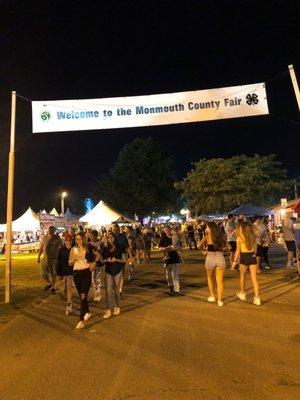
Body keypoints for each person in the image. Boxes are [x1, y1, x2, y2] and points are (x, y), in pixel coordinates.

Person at [69, 232, 98, 329]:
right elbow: (69, 263)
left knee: (83, 296)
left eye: (80, 239)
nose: (79, 241)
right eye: (77, 239)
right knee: (83, 297)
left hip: (86, 273)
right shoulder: (73, 249)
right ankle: (88, 312)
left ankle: (81, 320)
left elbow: (98, 255)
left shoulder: (88, 248)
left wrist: (94, 263)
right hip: (77, 274)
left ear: (83, 239)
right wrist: (73, 260)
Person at [198, 221, 227, 306]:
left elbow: (199, 245)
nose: (206, 228)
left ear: (210, 228)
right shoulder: (221, 236)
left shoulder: (207, 237)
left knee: (210, 277)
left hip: (210, 258)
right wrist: (221, 249)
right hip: (220, 258)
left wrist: (204, 251)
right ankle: (220, 300)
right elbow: (228, 247)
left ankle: (212, 296)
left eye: (207, 227)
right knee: (220, 280)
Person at [233, 220, 261, 306]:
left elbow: (238, 251)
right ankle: (257, 298)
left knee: (242, 276)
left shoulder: (239, 238)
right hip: (252, 256)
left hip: (244, 257)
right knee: (254, 279)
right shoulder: (252, 237)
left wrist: (234, 261)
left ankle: (242, 293)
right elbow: (255, 250)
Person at [102, 232, 124, 319]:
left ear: (114, 238)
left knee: (116, 290)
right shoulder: (106, 248)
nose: (110, 238)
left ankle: (117, 306)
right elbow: (102, 260)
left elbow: (124, 259)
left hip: (118, 270)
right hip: (108, 270)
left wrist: (117, 260)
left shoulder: (120, 247)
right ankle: (108, 310)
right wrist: (106, 260)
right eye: (108, 237)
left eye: (112, 237)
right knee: (107, 291)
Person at [37, 226, 62, 294]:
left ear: (54, 231)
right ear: (48, 230)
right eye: (50, 230)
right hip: (45, 258)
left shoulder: (57, 238)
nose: (51, 231)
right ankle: (49, 283)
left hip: (53, 259)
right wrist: (38, 257)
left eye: (53, 230)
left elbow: (61, 246)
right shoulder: (44, 237)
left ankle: (53, 287)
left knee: (53, 274)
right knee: (43, 274)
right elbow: (41, 247)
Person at [159, 226, 181, 296]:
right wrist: (166, 248)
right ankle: (170, 286)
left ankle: (177, 290)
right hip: (167, 258)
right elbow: (159, 248)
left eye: (168, 230)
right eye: (165, 230)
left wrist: (174, 248)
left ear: (171, 230)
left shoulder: (175, 237)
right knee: (168, 275)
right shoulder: (163, 239)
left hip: (175, 257)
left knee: (175, 274)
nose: (167, 231)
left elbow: (180, 246)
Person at [57, 235, 74, 315]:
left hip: (72, 272)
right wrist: (59, 273)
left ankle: (69, 305)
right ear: (64, 241)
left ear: (71, 241)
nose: (68, 242)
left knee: (69, 288)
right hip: (64, 271)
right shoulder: (61, 250)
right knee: (65, 289)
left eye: (69, 240)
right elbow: (59, 262)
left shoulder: (74, 250)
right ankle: (70, 300)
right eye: (66, 240)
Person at [89, 229, 102, 302]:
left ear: (96, 236)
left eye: (93, 236)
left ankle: (98, 295)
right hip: (92, 264)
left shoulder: (100, 243)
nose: (91, 237)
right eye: (90, 236)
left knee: (98, 279)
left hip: (99, 264)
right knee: (93, 280)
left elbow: (102, 253)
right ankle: (96, 294)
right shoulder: (89, 244)